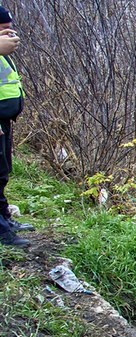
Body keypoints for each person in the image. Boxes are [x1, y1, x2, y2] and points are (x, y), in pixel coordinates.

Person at [0, 7, 30, 248]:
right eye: (3, 29)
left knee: (2, 173)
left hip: (4, 119)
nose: (9, 33)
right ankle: (2, 233)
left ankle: (5, 222)